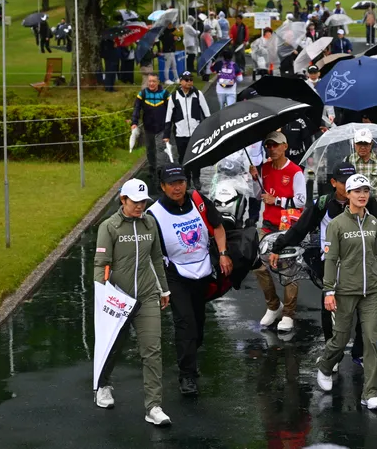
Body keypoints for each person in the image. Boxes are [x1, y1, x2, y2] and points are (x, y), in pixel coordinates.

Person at [270, 162, 377, 368]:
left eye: (352, 181)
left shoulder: (367, 203)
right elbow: (301, 228)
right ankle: (332, 354)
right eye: (343, 182)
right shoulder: (323, 204)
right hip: (331, 264)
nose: (349, 186)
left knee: (363, 308)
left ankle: (360, 352)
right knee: (330, 307)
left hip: (362, 264)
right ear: (333, 183)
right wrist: (278, 246)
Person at [316, 174, 377, 410]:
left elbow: (373, 256)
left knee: (372, 340)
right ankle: (325, 366)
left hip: (371, 290)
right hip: (345, 290)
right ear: (348, 194)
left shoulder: (374, 222)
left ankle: (369, 393)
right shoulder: (336, 225)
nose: (362, 195)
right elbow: (330, 260)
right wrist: (329, 291)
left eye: (366, 191)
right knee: (340, 339)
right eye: (357, 191)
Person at [93, 178, 172, 426]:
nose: (140, 206)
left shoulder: (150, 223)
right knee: (113, 346)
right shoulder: (109, 227)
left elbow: (157, 258)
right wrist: (102, 296)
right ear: (123, 200)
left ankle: (154, 407)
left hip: (147, 295)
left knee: (152, 350)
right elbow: (101, 265)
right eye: (135, 202)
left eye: (143, 202)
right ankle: (103, 385)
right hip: (118, 299)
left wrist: (164, 290)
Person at [147, 165, 232, 395]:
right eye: (171, 184)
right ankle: (187, 376)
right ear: (162, 186)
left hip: (202, 272)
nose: (177, 188)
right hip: (175, 275)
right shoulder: (153, 214)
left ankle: (191, 359)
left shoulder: (198, 201)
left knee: (198, 324)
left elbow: (218, 227)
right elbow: (148, 250)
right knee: (185, 323)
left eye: (181, 182)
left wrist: (223, 253)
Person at [250, 131, 307, 333]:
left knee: (289, 268)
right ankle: (273, 305)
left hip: (288, 226)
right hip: (268, 224)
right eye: (269, 146)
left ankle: (288, 313)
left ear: (285, 147)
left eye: (275, 145)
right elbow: (258, 195)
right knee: (257, 264)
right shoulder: (264, 168)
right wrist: (254, 179)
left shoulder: (295, 171)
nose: (272, 149)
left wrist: (277, 201)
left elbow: (301, 201)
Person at [163, 71, 211, 189]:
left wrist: (209, 129)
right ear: (181, 81)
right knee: (183, 157)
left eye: (191, 80)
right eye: (186, 80)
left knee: (196, 156)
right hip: (180, 133)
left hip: (195, 132)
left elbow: (206, 113)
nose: (189, 82)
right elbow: (168, 116)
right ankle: (187, 178)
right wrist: (166, 134)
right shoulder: (174, 96)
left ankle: (196, 178)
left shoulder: (198, 94)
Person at [346, 129, 377, 221]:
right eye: (359, 143)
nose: (362, 147)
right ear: (354, 144)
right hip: (354, 210)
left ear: (371, 144)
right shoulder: (348, 160)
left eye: (366, 144)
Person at [131, 73, 170, 187]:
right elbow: (136, 109)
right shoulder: (142, 94)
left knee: (160, 149)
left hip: (162, 128)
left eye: (154, 81)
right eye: (150, 81)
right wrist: (134, 123)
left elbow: (172, 110)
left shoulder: (165, 94)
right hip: (148, 128)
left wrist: (171, 125)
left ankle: (161, 172)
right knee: (150, 150)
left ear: (158, 82)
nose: (151, 83)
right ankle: (152, 169)